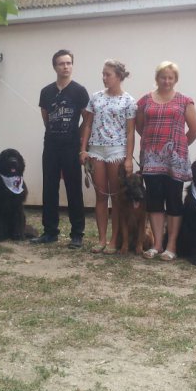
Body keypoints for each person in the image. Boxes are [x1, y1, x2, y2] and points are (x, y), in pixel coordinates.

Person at [136, 61, 196, 261]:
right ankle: (157, 244)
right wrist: (153, 144)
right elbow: (140, 127)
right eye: (163, 77)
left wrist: (179, 146)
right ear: (157, 78)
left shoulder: (184, 101)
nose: (167, 81)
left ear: (175, 79)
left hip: (175, 160)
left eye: (170, 77)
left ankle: (171, 245)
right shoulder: (144, 101)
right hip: (151, 159)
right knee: (154, 201)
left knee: (173, 200)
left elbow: (195, 129)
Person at [32, 50, 89, 248]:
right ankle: (50, 232)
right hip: (51, 146)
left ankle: (77, 234)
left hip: (71, 146)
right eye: (61, 63)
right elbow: (45, 118)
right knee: (49, 188)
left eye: (68, 63)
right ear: (54, 66)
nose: (65, 66)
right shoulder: (46, 92)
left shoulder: (79, 91)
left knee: (74, 189)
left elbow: (87, 119)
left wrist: (78, 139)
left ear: (72, 65)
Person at [79, 60, 136, 254]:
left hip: (116, 151)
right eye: (102, 74)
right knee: (101, 196)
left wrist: (129, 158)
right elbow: (87, 124)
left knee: (117, 198)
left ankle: (114, 240)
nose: (104, 78)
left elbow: (130, 132)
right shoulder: (95, 98)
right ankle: (101, 239)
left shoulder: (128, 100)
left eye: (108, 74)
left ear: (118, 76)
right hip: (96, 150)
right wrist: (83, 149)